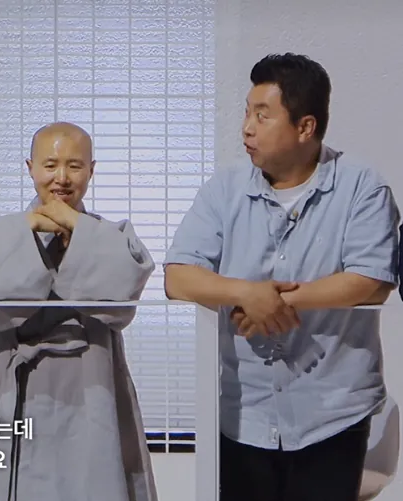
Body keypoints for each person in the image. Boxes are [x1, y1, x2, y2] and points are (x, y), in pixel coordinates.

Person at [164, 53, 399, 501]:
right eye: (247, 113)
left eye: (262, 115)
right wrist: (246, 293)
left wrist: (280, 302)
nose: (246, 128)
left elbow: (371, 280)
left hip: (333, 411)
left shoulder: (361, 187)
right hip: (243, 413)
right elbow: (178, 277)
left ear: (305, 127)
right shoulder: (224, 189)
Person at [0, 122, 158, 501]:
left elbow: (125, 292)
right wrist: (30, 226)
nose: (62, 178)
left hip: (90, 385)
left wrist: (75, 226)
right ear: (30, 168)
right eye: (50, 165)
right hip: (6, 384)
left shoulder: (113, 235)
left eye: (75, 166)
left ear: (92, 170)